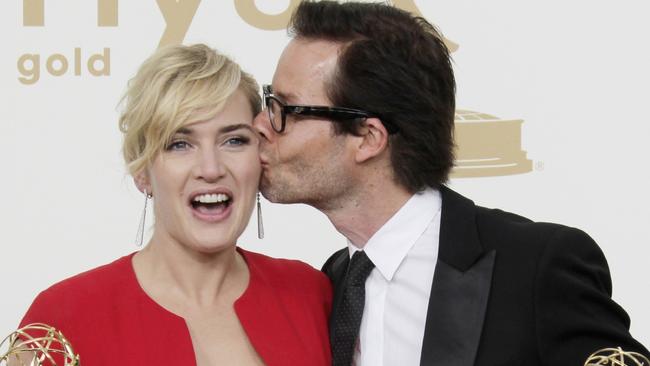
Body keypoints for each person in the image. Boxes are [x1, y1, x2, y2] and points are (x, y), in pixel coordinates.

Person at [252, 1, 650, 365]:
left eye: (284, 108)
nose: (259, 126)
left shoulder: (533, 267)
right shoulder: (334, 282)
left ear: (369, 138)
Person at [17, 44, 331, 366]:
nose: (210, 169)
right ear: (143, 172)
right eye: (179, 144)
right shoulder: (61, 317)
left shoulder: (312, 295)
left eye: (234, 140)